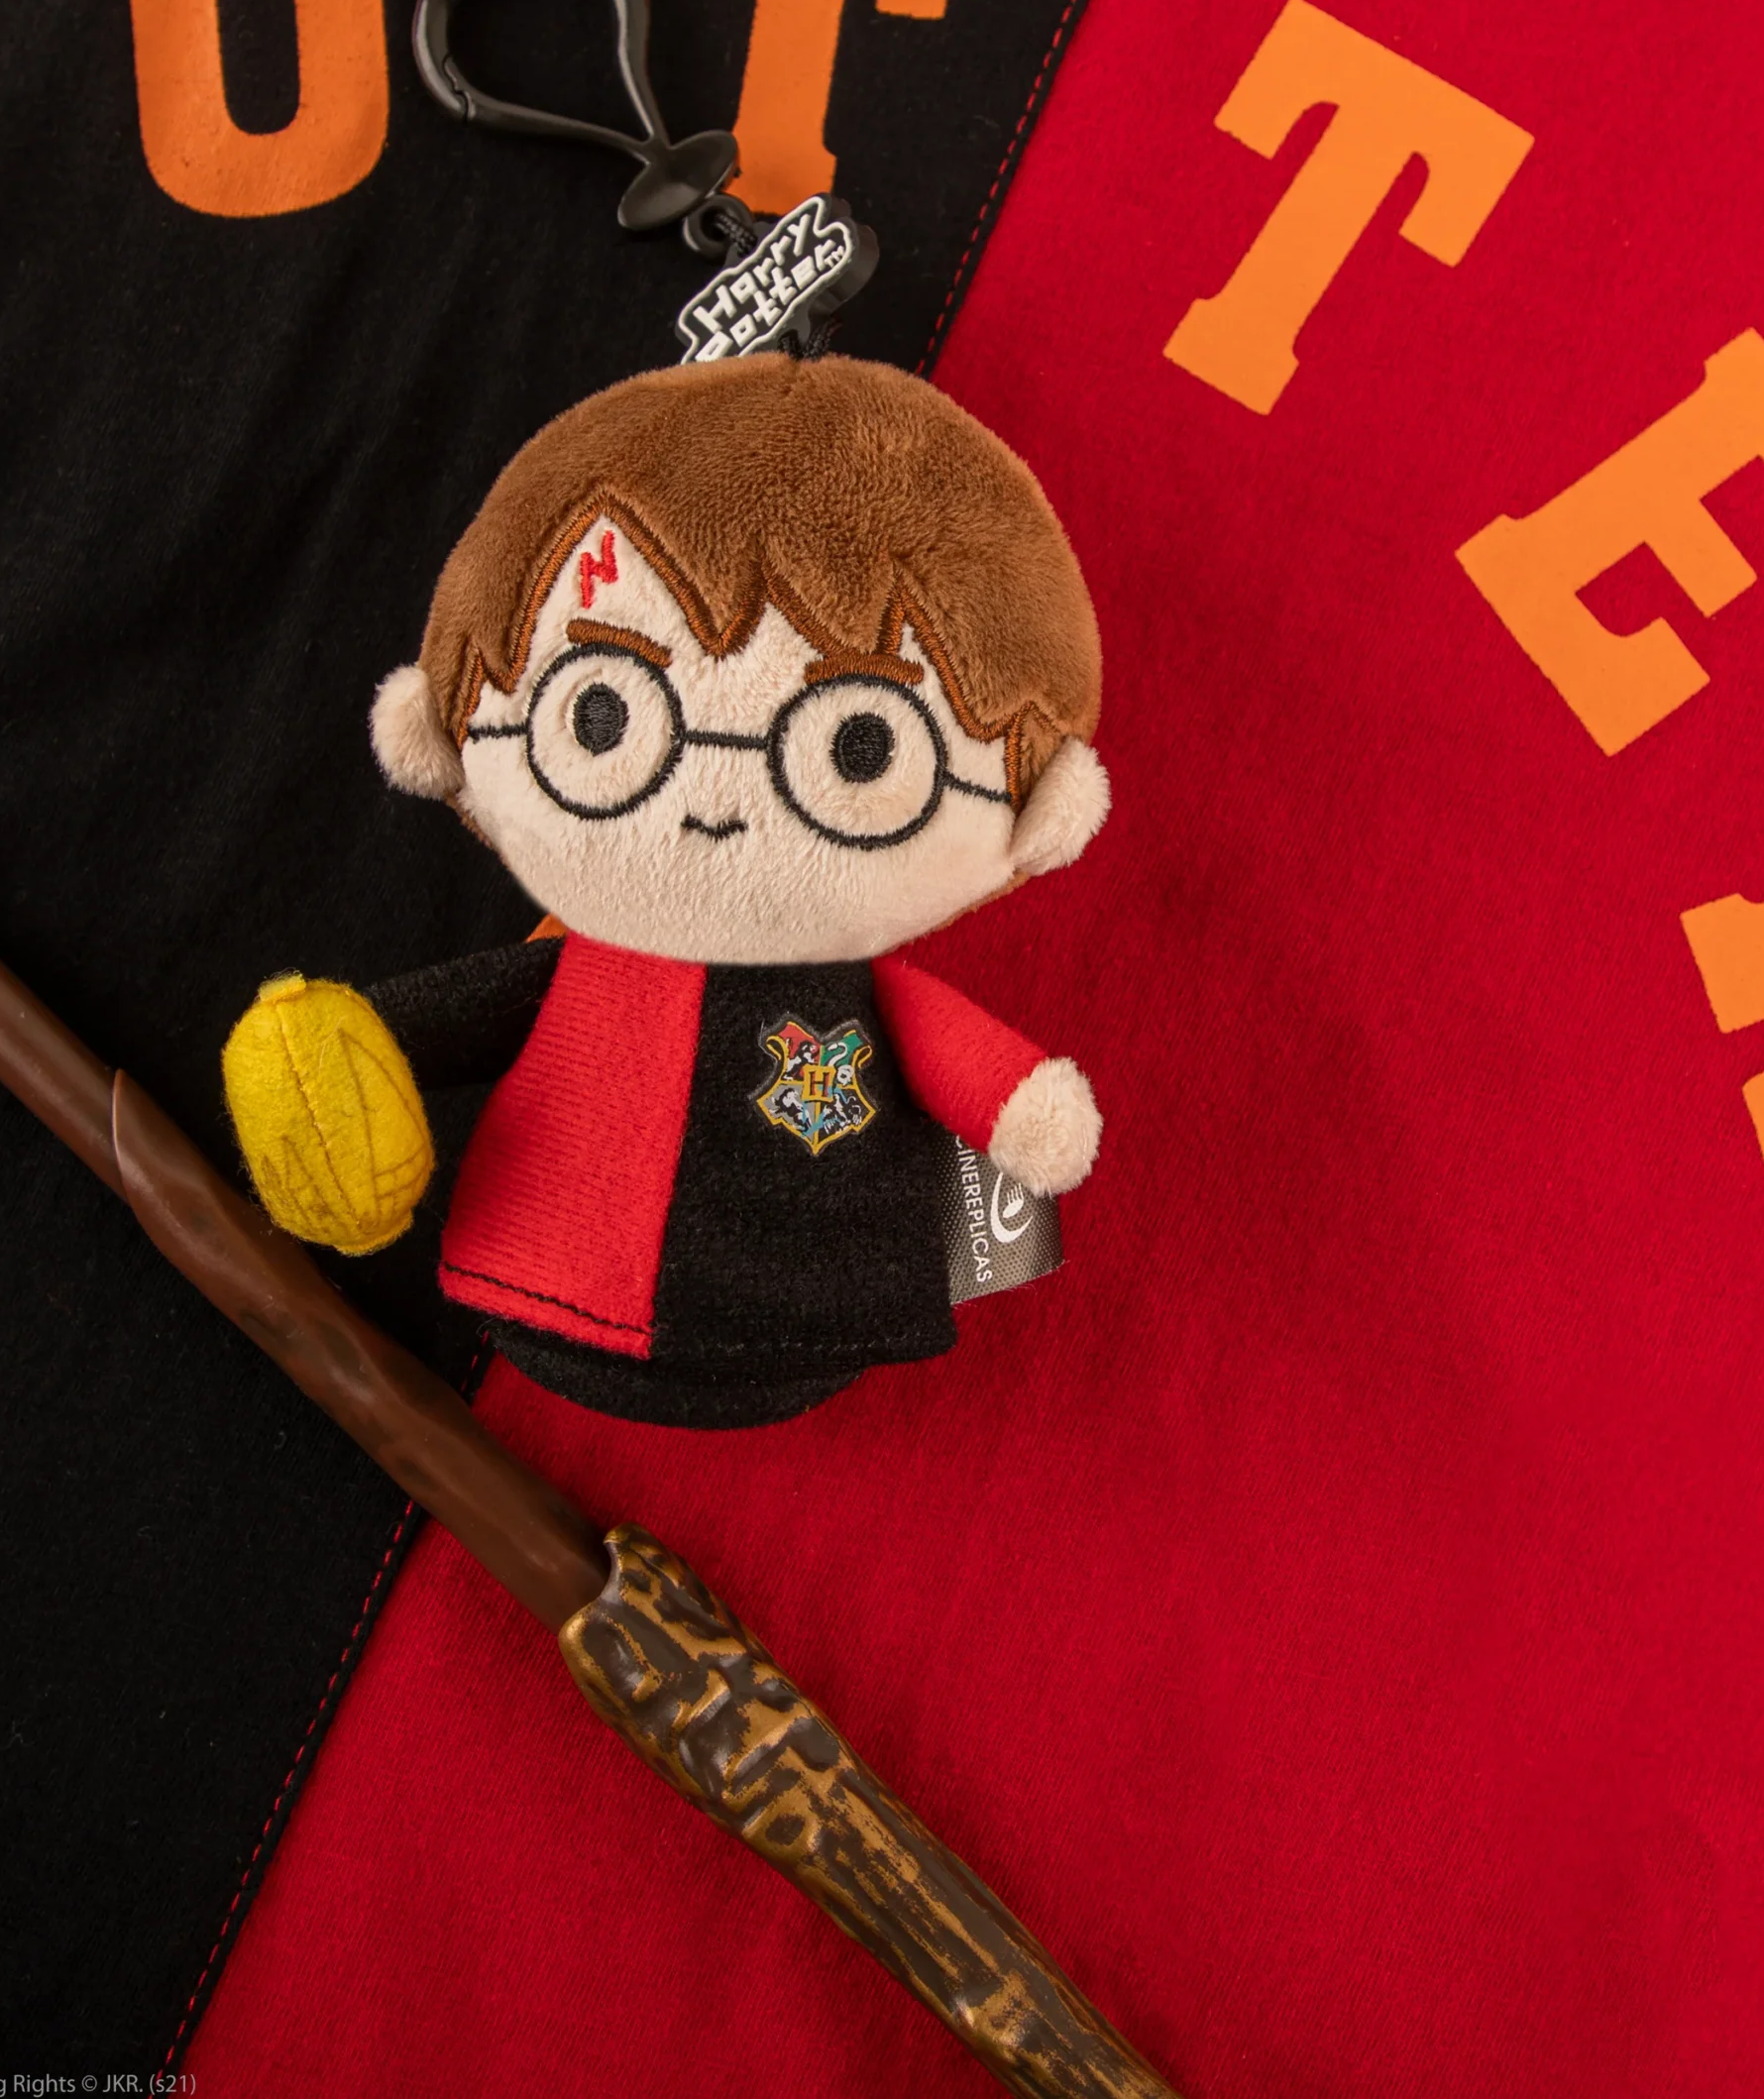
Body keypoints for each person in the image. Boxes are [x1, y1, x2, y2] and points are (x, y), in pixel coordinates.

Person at [224, 351, 1112, 1424]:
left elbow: (955, 1056)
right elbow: (433, 1023)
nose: (717, 802)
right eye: (600, 714)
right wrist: (332, 1056)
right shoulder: (566, 967)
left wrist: (1018, 1103)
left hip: (806, 1297)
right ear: (434, 735)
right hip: (551, 1263)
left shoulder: (854, 988)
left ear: (1047, 813)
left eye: (861, 743)